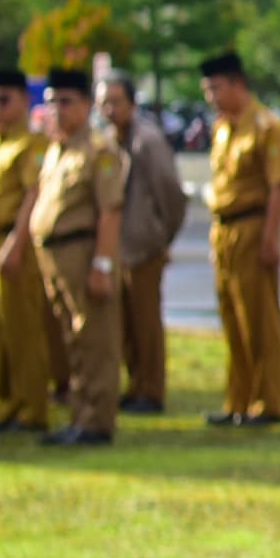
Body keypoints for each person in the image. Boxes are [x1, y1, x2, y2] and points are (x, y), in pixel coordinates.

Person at [27, 67, 125, 446]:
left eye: (65, 102)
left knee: (94, 338)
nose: (56, 110)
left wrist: (102, 264)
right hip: (55, 255)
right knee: (72, 339)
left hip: (84, 251)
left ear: (85, 105)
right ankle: (80, 413)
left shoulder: (98, 151)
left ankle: (97, 420)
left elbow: (110, 211)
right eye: (50, 102)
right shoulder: (56, 149)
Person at [199, 51, 280, 427]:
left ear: (239, 84)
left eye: (217, 88)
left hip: (253, 227)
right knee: (231, 318)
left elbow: (277, 187)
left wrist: (271, 238)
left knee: (259, 319)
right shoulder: (221, 128)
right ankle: (237, 400)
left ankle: (267, 402)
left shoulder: (266, 127)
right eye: (207, 90)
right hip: (223, 230)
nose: (212, 97)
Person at [0, 74, 51, 435]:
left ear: (23, 102)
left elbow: (33, 196)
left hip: (10, 244)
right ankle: (8, 405)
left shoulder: (30, 144)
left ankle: (32, 408)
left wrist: (16, 244)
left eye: (4, 100)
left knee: (21, 329)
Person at [104, 74, 183, 413]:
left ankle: (152, 389)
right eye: (103, 102)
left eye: (116, 102)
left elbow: (172, 195)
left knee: (146, 323)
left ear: (132, 104)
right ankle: (135, 384)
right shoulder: (107, 142)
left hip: (144, 248)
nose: (109, 109)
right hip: (117, 249)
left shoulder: (147, 142)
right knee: (125, 325)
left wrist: (160, 237)